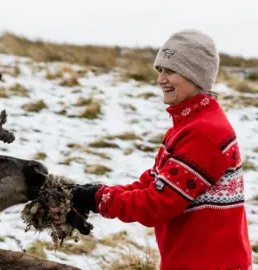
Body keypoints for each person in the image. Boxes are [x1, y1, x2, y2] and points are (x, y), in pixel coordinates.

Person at [54, 29, 252, 269]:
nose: (161, 79)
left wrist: (100, 199)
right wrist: (94, 194)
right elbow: (153, 183)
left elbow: (157, 205)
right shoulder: (189, 124)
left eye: (170, 70)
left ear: (195, 75)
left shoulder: (204, 134)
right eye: (160, 70)